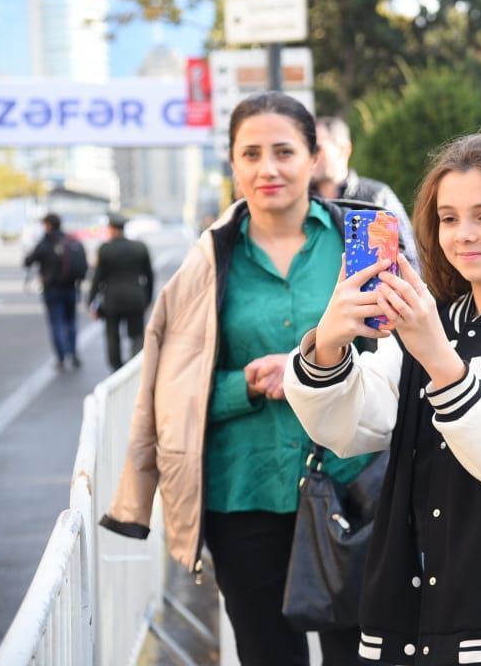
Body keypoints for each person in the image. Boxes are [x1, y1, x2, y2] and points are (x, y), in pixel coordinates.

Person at [283, 133, 481, 664]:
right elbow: (346, 428)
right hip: (405, 622)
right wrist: (328, 344)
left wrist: (440, 360)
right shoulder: (435, 320)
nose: (464, 235)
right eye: (449, 218)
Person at [98, 92, 374, 666]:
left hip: (356, 487)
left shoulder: (362, 242)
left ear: (313, 156)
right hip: (245, 495)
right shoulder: (207, 262)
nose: (267, 168)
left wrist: (318, 369)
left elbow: (402, 356)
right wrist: (246, 384)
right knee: (268, 655)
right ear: (232, 164)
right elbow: (176, 392)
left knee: (364, 655)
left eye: (283, 151)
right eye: (250, 154)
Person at [314, 115, 420, 269]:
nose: (310, 155)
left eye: (316, 148)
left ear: (343, 149)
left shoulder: (378, 196)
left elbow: (410, 260)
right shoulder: (301, 203)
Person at [87, 213, 154, 370]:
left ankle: (116, 368)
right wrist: (148, 298)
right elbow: (149, 276)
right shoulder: (140, 247)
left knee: (112, 337)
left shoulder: (104, 249)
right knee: (137, 335)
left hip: (112, 300)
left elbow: (97, 279)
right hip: (136, 298)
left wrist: (91, 302)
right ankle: (135, 367)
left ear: (111, 229)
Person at [23, 213, 84, 371]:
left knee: (57, 323)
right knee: (70, 322)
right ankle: (73, 352)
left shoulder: (45, 243)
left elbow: (28, 261)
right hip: (71, 288)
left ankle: (61, 357)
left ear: (48, 225)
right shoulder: (70, 241)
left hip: (52, 290)